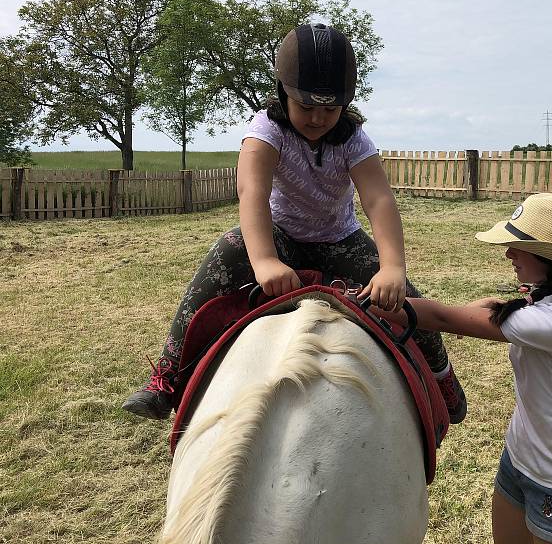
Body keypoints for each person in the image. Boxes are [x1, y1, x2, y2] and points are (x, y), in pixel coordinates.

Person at [122, 23, 466, 424]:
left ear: (346, 103)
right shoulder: (267, 131)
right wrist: (265, 260)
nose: (318, 118)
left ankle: (441, 376)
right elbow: (252, 192)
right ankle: (169, 375)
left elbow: (377, 198)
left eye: (329, 108)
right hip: (281, 236)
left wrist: (392, 267)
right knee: (226, 252)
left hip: (340, 238)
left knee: (405, 299)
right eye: (306, 106)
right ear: (283, 93)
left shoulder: (353, 139)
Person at [375, 193, 552, 544]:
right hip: (519, 460)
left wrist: (367, 302)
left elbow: (440, 317)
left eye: (518, 245)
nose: (508, 253)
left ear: (549, 258)